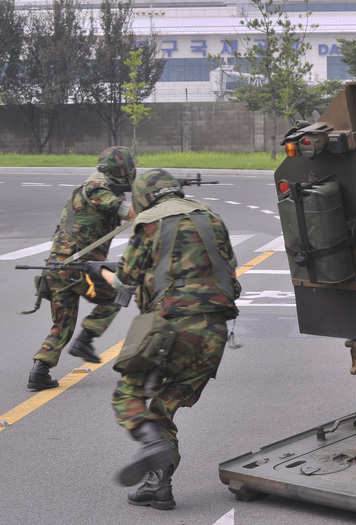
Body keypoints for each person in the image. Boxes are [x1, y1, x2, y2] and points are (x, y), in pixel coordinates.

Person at [97, 168, 240, 510]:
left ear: (145, 195)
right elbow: (223, 269)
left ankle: (149, 444)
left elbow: (125, 283)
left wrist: (98, 270)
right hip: (215, 331)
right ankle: (157, 486)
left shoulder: (149, 223)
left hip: (170, 329)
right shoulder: (211, 218)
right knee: (164, 405)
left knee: (127, 397)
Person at [27, 146, 136, 391]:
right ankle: (86, 339)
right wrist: (152, 202)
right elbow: (124, 210)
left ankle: (40, 370)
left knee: (62, 323)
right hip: (81, 267)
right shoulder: (95, 187)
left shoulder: (92, 184)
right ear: (124, 169)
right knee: (121, 292)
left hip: (58, 266)